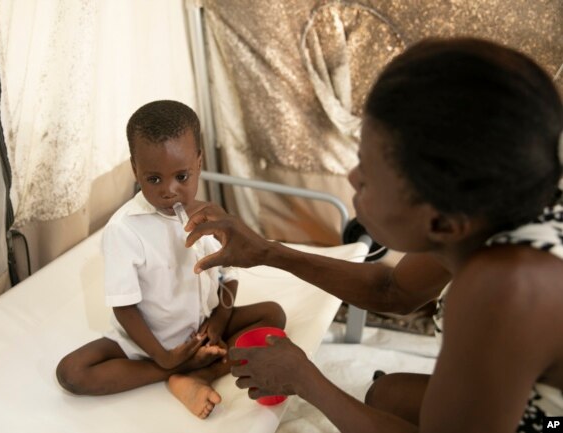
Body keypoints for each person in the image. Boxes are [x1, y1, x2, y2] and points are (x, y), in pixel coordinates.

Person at [184, 38, 563, 432]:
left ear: (440, 222)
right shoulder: (492, 205)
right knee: (387, 395)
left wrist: (306, 381)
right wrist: (268, 252)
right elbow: (393, 291)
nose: (352, 178)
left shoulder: (505, 292)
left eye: (368, 174)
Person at [55, 100, 286, 419]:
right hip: (148, 344)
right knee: (72, 373)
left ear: (199, 163)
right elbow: (123, 306)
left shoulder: (211, 218)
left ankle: (197, 373)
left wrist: (218, 322)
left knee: (273, 314)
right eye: (154, 179)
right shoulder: (125, 230)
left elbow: (228, 277)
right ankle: (177, 370)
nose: (169, 191)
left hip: (203, 329)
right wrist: (162, 356)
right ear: (136, 170)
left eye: (181, 176)